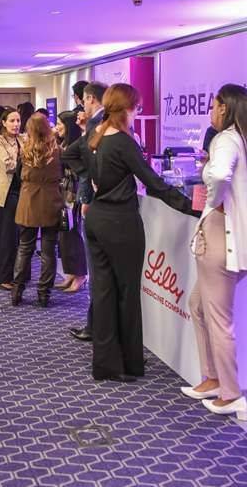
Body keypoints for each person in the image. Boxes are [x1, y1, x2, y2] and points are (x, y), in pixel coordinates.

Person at [75, 83, 194, 382]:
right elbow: (154, 183)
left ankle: (106, 364)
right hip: (121, 223)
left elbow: (70, 157)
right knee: (127, 293)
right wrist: (190, 207)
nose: (138, 113)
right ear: (127, 108)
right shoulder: (123, 142)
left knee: (103, 293)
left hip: (97, 220)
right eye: (137, 108)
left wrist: (92, 184)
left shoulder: (94, 136)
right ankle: (128, 363)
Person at [182, 84, 247, 418]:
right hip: (228, 235)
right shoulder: (239, 140)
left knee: (219, 318)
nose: (210, 111)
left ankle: (231, 392)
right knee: (198, 305)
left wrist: (213, 200)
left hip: (221, 235)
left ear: (224, 107)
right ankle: (212, 377)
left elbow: (220, 175)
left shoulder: (226, 140)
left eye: (212, 105)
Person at [61, 81, 107, 341]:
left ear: (89, 99)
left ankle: (94, 326)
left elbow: (73, 156)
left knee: (97, 268)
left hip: (97, 204)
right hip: (102, 203)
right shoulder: (98, 123)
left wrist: (87, 191)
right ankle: (95, 325)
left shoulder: (100, 123)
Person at [12, 113, 63, 308]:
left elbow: (18, 175)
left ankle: (17, 290)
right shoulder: (57, 151)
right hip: (51, 200)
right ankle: (44, 294)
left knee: (25, 247)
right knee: (49, 250)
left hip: (28, 200)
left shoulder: (24, 150)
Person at [0, 108, 24, 289]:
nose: (16, 124)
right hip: (7, 193)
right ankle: (4, 277)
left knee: (21, 236)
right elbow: (8, 165)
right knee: (8, 236)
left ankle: (20, 275)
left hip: (24, 191)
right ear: (3, 122)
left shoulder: (22, 139)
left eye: (18, 120)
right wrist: (27, 161)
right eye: (12, 121)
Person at [54, 111, 87, 293]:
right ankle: (70, 273)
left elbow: (80, 172)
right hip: (63, 191)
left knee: (73, 234)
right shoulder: (63, 143)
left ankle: (80, 274)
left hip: (74, 193)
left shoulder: (78, 145)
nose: (57, 127)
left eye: (60, 124)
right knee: (64, 235)